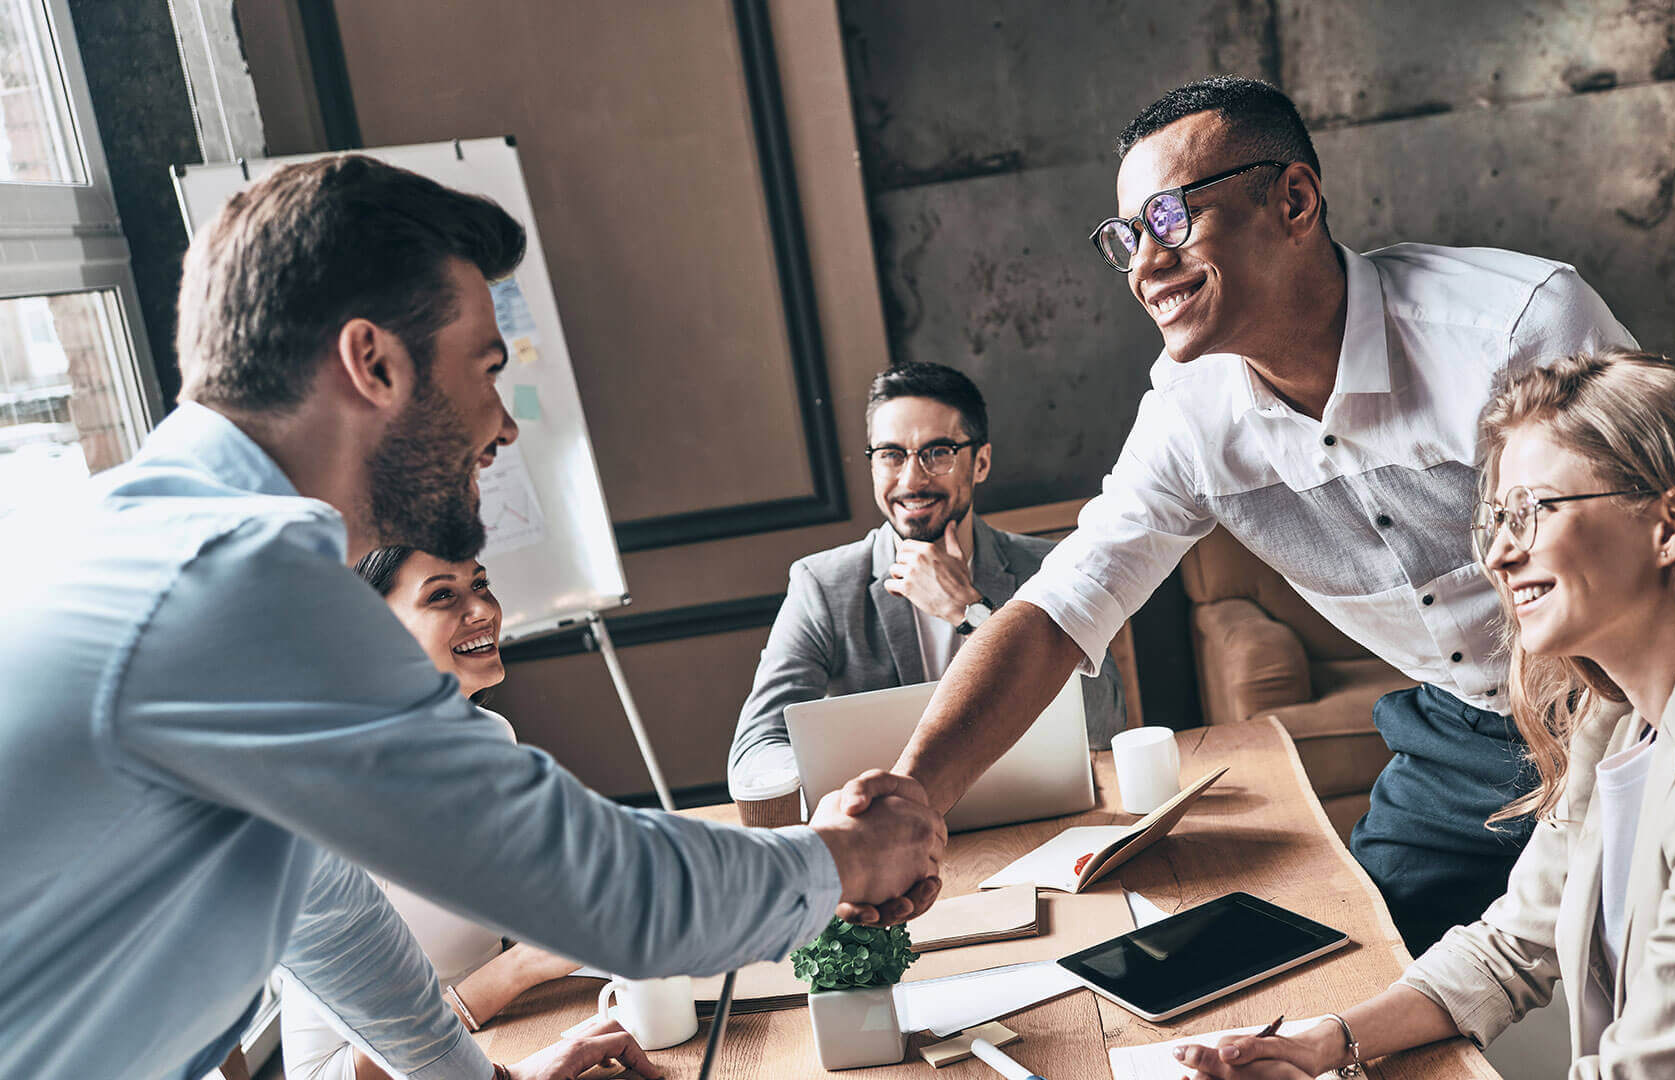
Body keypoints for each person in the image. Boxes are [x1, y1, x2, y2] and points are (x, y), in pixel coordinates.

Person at [0, 155, 942, 1080]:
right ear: (372, 363)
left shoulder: (136, 535)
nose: (503, 423)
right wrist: (850, 857)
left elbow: (325, 906)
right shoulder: (239, 589)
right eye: (484, 370)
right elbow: (609, 893)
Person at [838, 75, 1636, 949]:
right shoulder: (1189, 417)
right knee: (1350, 975)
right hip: (1463, 733)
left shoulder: (1516, 329)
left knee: (1658, 974)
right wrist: (913, 797)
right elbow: (1059, 609)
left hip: (1632, 700)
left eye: (1173, 219)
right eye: (1126, 237)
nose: (1145, 263)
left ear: (1294, 200)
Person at [1174, 352, 1675, 1079]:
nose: (1497, 555)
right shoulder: (1616, 721)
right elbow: (1510, 944)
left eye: (1532, 511)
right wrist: (1324, 1042)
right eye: (1497, 518)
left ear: (1671, 525)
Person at [280, 548, 622, 1080]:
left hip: (496, 1037)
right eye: (442, 595)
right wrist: (519, 970)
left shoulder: (492, 737)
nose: (482, 609)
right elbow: (327, 1071)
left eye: (480, 585)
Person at [728, 361, 1126, 796]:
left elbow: (1104, 724)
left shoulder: (1050, 567)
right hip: (882, 831)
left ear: (981, 462)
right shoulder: (821, 586)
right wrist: (855, 791)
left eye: (938, 452)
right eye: (891, 455)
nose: (911, 479)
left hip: (1029, 818)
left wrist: (970, 613)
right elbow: (754, 751)